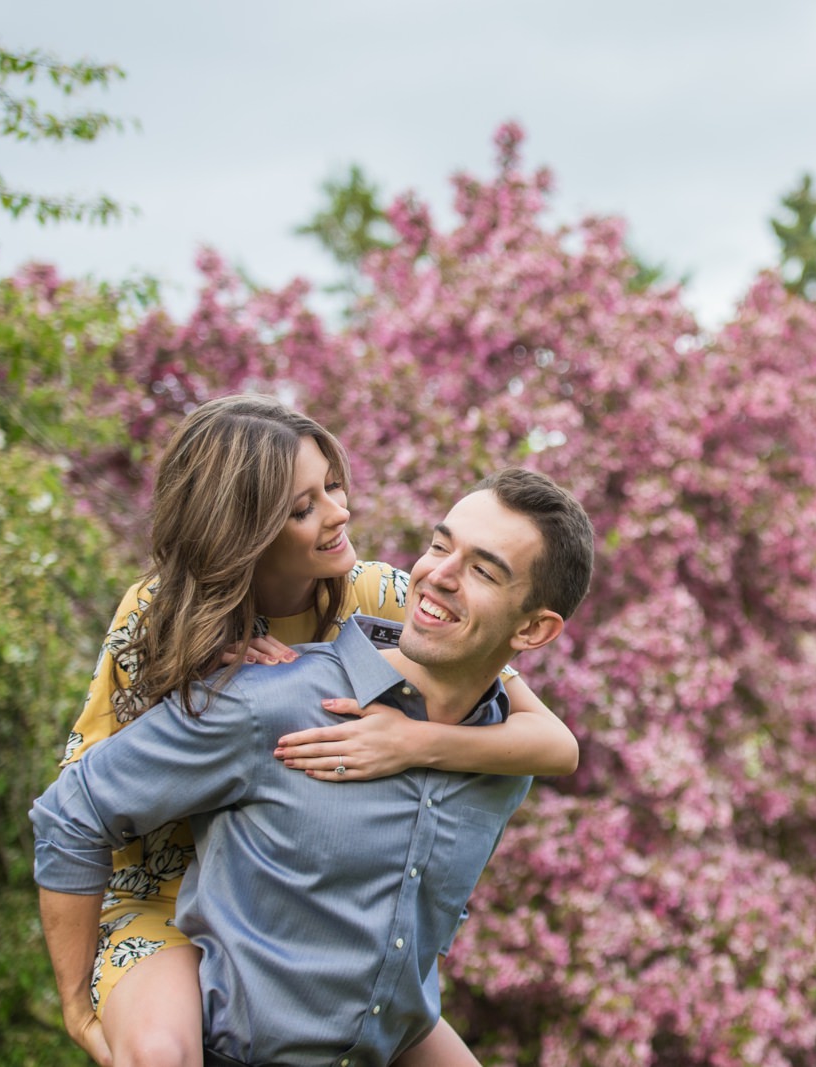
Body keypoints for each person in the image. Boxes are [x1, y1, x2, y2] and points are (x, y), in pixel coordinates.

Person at [54, 396, 579, 1066]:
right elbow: (79, 804)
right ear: (246, 528)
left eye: (334, 484)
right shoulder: (159, 616)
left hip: (285, 902)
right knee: (162, 1051)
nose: (339, 511)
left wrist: (413, 741)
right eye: (303, 507)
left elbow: (555, 743)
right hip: (163, 893)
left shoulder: (381, 596)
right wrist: (74, 998)